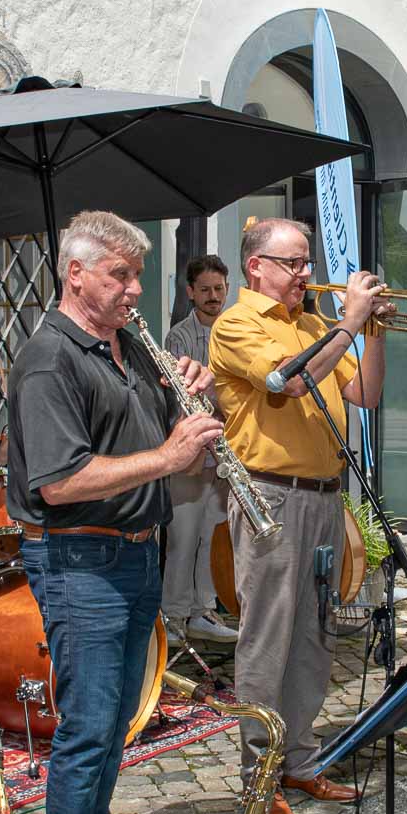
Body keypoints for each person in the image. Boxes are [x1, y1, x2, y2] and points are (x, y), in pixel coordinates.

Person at [3, 210, 223, 814]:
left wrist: (189, 398)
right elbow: (61, 480)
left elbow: (171, 452)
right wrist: (167, 454)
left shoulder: (126, 349)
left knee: (118, 724)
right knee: (87, 728)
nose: (135, 289)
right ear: (76, 275)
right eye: (120, 276)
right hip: (78, 561)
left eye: (136, 275)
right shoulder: (48, 360)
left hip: (133, 555)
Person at [208, 218, 384, 814]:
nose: (306, 273)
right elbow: (292, 378)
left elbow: (363, 394)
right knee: (269, 636)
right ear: (257, 265)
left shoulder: (313, 322)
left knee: (316, 632)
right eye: (293, 262)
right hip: (271, 498)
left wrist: (374, 332)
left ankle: (300, 760)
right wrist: (350, 323)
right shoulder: (237, 323)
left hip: (324, 493)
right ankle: (259, 779)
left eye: (307, 261)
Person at [160, 255, 238, 646]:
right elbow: (183, 397)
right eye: (205, 289)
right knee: (183, 537)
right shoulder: (178, 336)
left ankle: (202, 611)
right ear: (190, 292)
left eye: (219, 289)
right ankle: (173, 617)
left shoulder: (236, 329)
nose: (213, 297)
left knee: (213, 534)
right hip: (191, 450)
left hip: (225, 450)